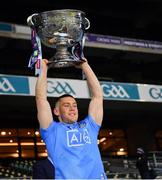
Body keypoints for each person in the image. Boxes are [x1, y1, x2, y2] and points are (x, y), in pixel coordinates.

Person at [35, 58, 107, 179]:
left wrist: (85, 66)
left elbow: (98, 96)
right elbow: (41, 99)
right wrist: (44, 70)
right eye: (66, 105)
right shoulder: (51, 130)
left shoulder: (90, 126)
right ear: (56, 111)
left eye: (74, 105)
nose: (72, 108)